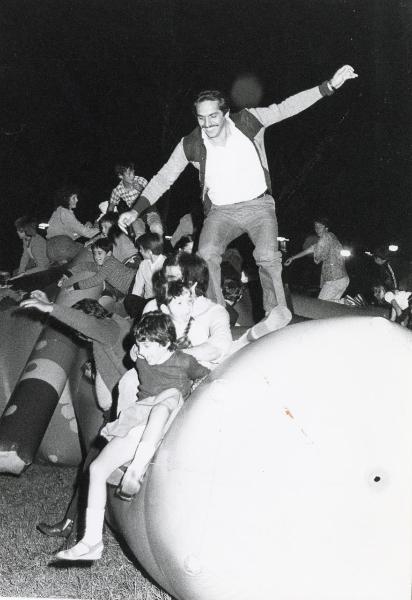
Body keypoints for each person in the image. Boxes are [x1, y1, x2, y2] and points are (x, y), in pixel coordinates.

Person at [118, 65, 358, 315]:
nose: (207, 125)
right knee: (206, 252)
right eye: (201, 118)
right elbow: (164, 178)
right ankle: (217, 313)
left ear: (225, 113)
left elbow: (286, 108)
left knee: (267, 256)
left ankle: (276, 315)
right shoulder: (190, 144)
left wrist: (328, 86)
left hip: (259, 207)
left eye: (213, 117)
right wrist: (135, 211)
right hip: (222, 213)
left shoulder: (247, 122)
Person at [53, 311, 210, 561]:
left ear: (166, 342)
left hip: (171, 416)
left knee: (167, 397)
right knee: (96, 469)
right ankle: (91, 541)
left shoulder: (184, 361)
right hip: (142, 418)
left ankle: (137, 467)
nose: (142, 351)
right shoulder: (140, 356)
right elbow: (131, 358)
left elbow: (207, 378)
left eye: (147, 346)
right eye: (139, 345)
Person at [284, 217, 349, 302]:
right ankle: (349, 303)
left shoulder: (325, 237)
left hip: (335, 279)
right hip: (342, 279)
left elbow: (318, 258)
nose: (317, 229)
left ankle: (349, 302)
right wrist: (293, 258)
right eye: (315, 226)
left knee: (322, 304)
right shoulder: (331, 237)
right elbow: (311, 249)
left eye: (320, 226)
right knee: (332, 307)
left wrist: (316, 255)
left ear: (326, 228)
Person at [59, 238, 135, 299]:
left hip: (135, 281)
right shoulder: (99, 265)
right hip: (131, 289)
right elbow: (85, 266)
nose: (96, 257)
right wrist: (66, 275)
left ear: (109, 253)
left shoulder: (110, 262)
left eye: (99, 253)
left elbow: (96, 280)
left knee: (129, 302)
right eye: (94, 253)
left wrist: (73, 287)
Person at [106, 161, 163, 239]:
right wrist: (109, 222)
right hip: (135, 215)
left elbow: (153, 195)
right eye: (129, 174)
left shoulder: (141, 180)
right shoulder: (117, 190)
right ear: (121, 176)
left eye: (133, 172)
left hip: (149, 209)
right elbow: (110, 207)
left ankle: (158, 249)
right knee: (139, 236)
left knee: (157, 228)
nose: (132, 176)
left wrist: (141, 189)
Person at [123, 232, 167, 319]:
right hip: (147, 301)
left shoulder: (166, 264)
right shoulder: (143, 264)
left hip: (161, 302)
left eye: (141, 249)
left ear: (149, 252)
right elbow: (137, 287)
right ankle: (139, 318)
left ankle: (143, 318)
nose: (139, 251)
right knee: (129, 299)